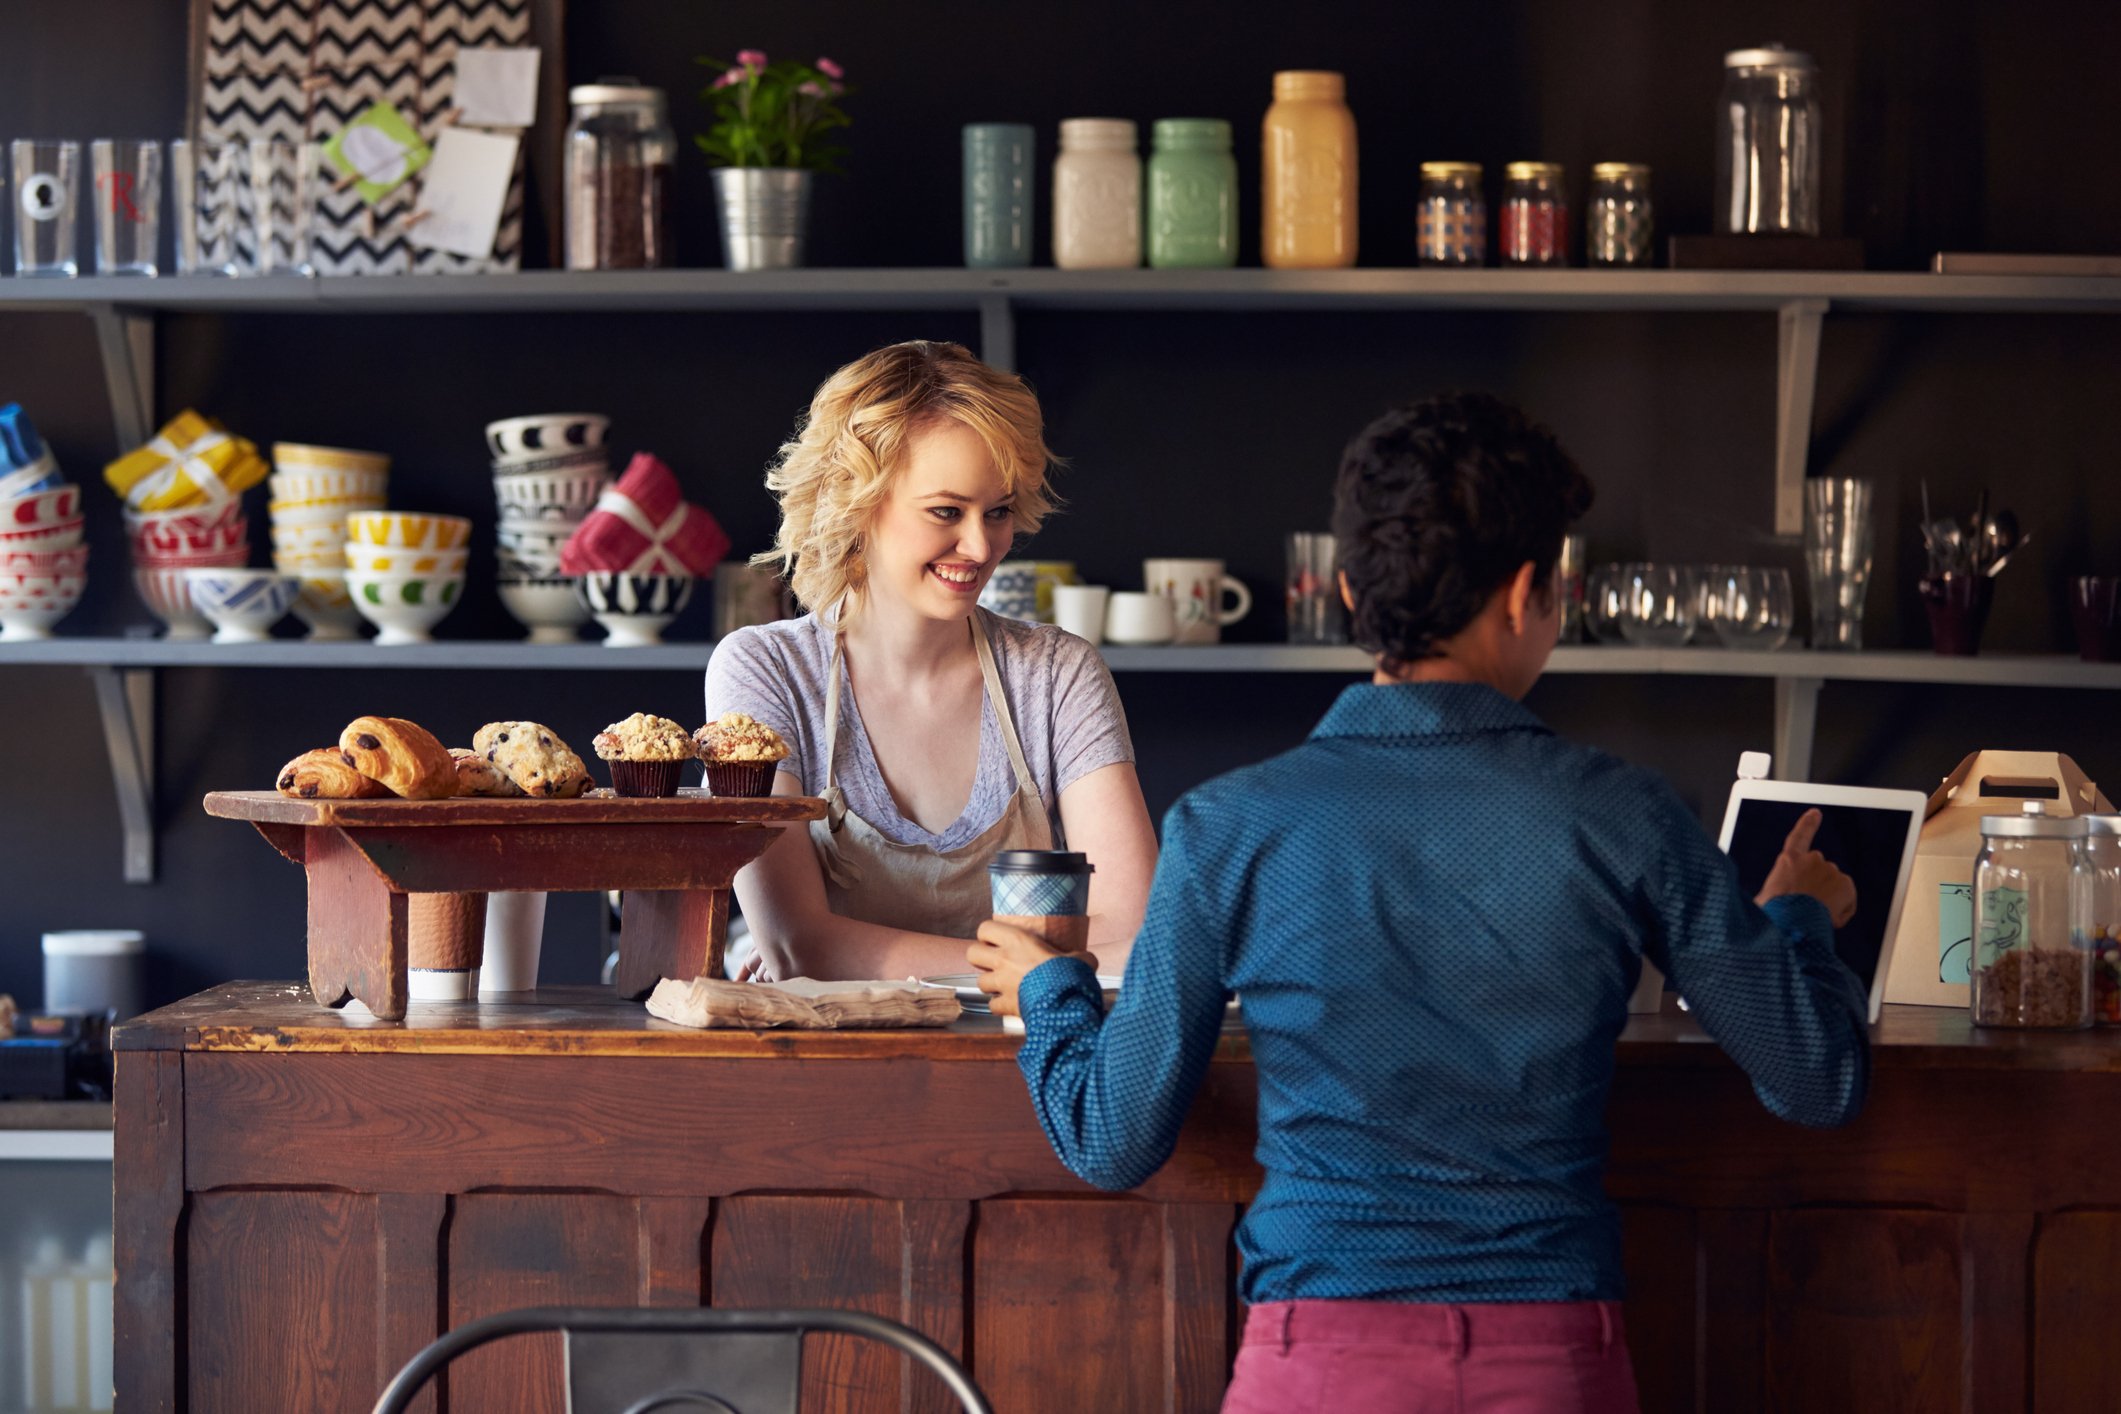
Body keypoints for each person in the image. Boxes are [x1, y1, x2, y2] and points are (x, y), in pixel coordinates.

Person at [969, 391, 1867, 1413]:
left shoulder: (1229, 825)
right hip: (1553, 1363)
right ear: (1530, 591)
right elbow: (1816, 1080)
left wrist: (1052, 985)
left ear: (1352, 591)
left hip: (1314, 1365)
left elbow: (1112, 1138)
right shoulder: (1626, 815)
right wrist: (1798, 916)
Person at [705, 340, 1158, 982]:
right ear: (855, 502)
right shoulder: (766, 671)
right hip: (831, 1069)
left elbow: (1137, 935)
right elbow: (800, 946)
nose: (980, 545)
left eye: (997, 512)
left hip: (1021, 1063)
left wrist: (849, 957)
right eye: (947, 511)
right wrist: (1047, 972)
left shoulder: (1056, 673)